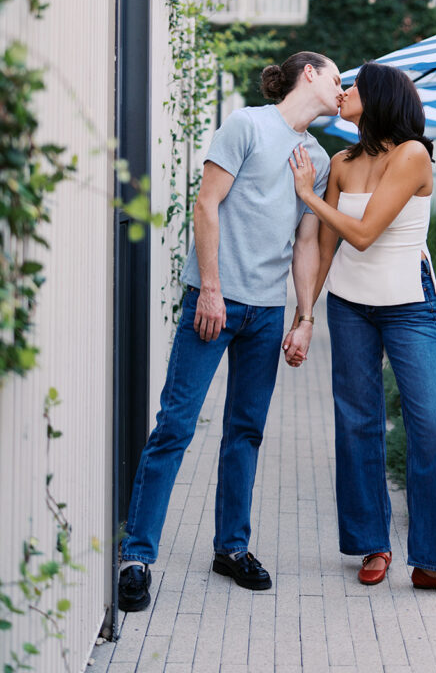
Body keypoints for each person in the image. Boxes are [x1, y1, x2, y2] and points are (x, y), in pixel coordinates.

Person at [118, 51, 342, 611]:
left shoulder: (315, 156)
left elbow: (306, 242)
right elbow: (206, 204)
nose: (344, 88)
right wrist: (211, 287)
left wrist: (304, 317)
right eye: (338, 78)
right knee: (175, 425)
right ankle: (137, 555)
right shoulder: (246, 125)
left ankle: (231, 549)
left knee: (246, 432)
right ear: (307, 73)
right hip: (212, 303)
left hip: (266, 314)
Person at [289, 62, 436, 594]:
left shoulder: (412, 155)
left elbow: (362, 234)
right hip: (350, 304)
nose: (344, 92)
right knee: (357, 422)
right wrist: (305, 317)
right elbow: (327, 247)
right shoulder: (341, 161)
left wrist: (309, 196)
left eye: (354, 87)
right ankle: (373, 545)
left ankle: (433, 562)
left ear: (377, 100)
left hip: (408, 304)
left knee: (434, 426)